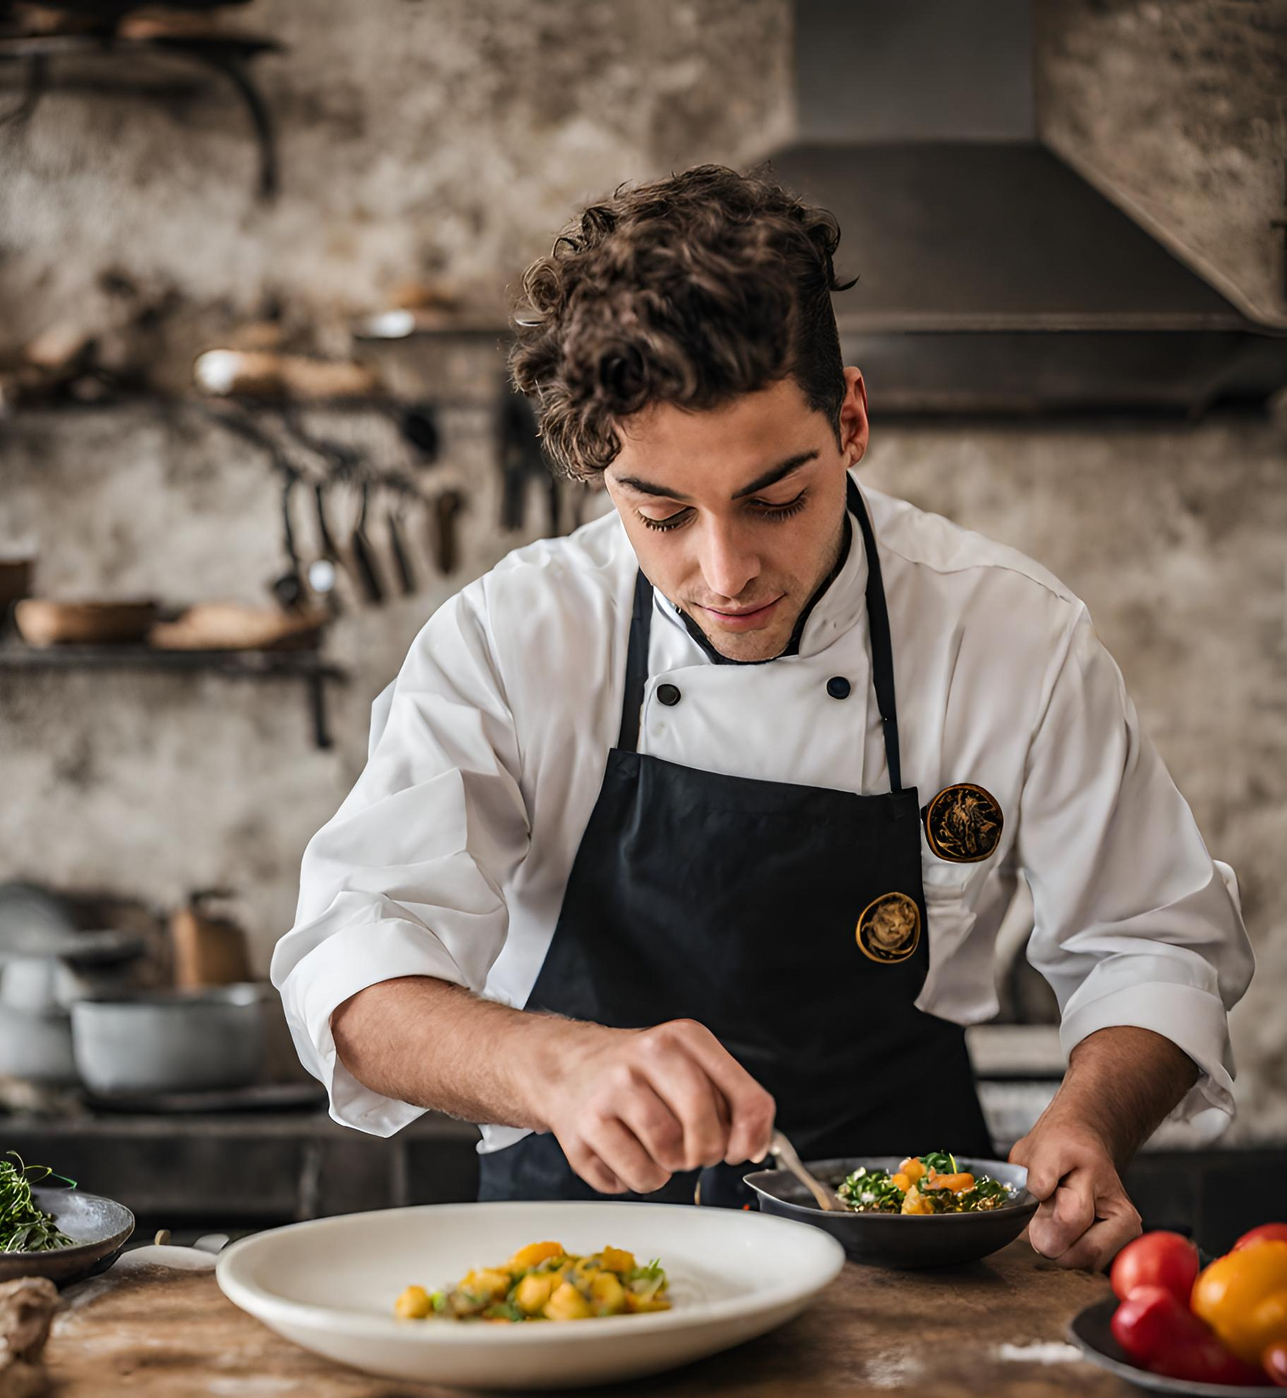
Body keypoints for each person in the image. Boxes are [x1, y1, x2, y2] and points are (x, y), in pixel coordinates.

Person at [272, 166, 1254, 1270]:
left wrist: (1090, 1119)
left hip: (905, 1247)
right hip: (577, 1251)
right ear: (600, 474)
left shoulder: (1009, 636)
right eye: (660, 512)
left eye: (774, 499)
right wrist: (550, 1063)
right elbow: (352, 960)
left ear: (849, 418)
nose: (724, 569)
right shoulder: (509, 639)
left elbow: (1150, 939)